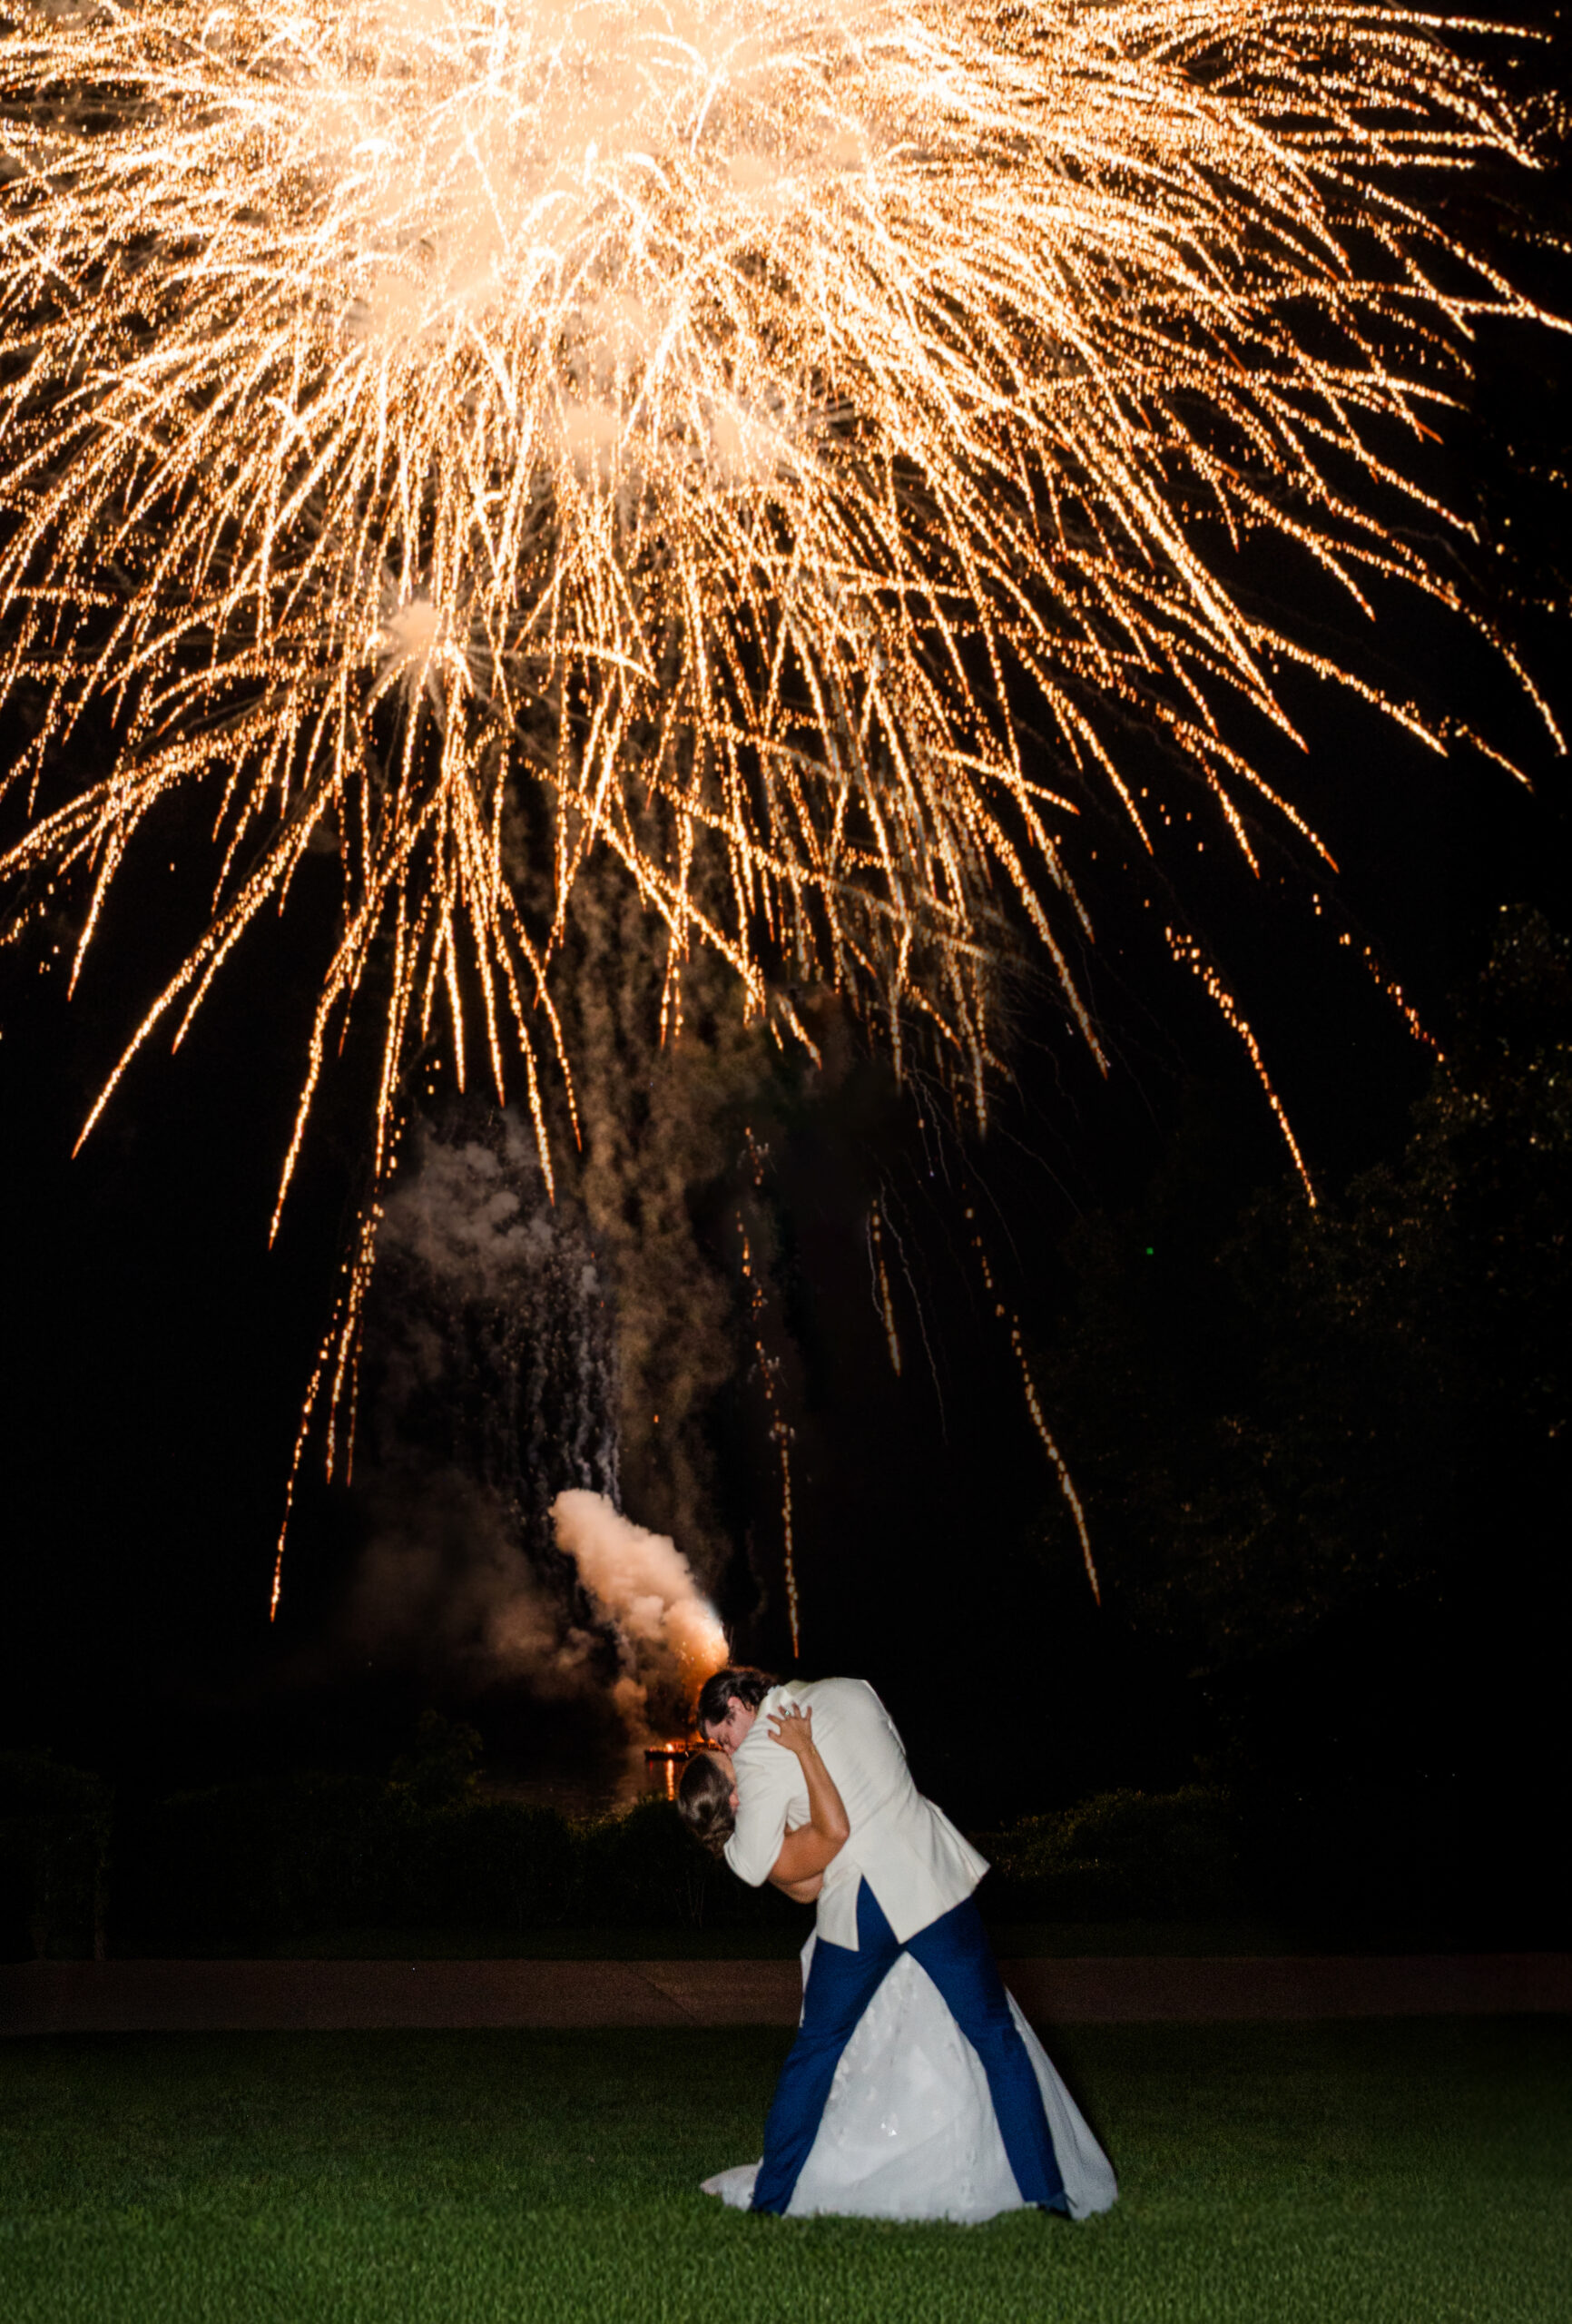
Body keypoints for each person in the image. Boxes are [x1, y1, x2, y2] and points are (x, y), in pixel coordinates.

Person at [678, 1666, 1117, 2224]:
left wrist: (736, 1837)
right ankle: (1048, 2198)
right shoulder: (852, 1689)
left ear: (741, 1705)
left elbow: (752, 1861)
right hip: (930, 1876)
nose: (728, 1749)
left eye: (723, 1736)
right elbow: (895, 1766)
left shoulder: (763, 1748)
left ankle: (771, 2200)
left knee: (816, 2049)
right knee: (996, 2037)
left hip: (861, 1903)